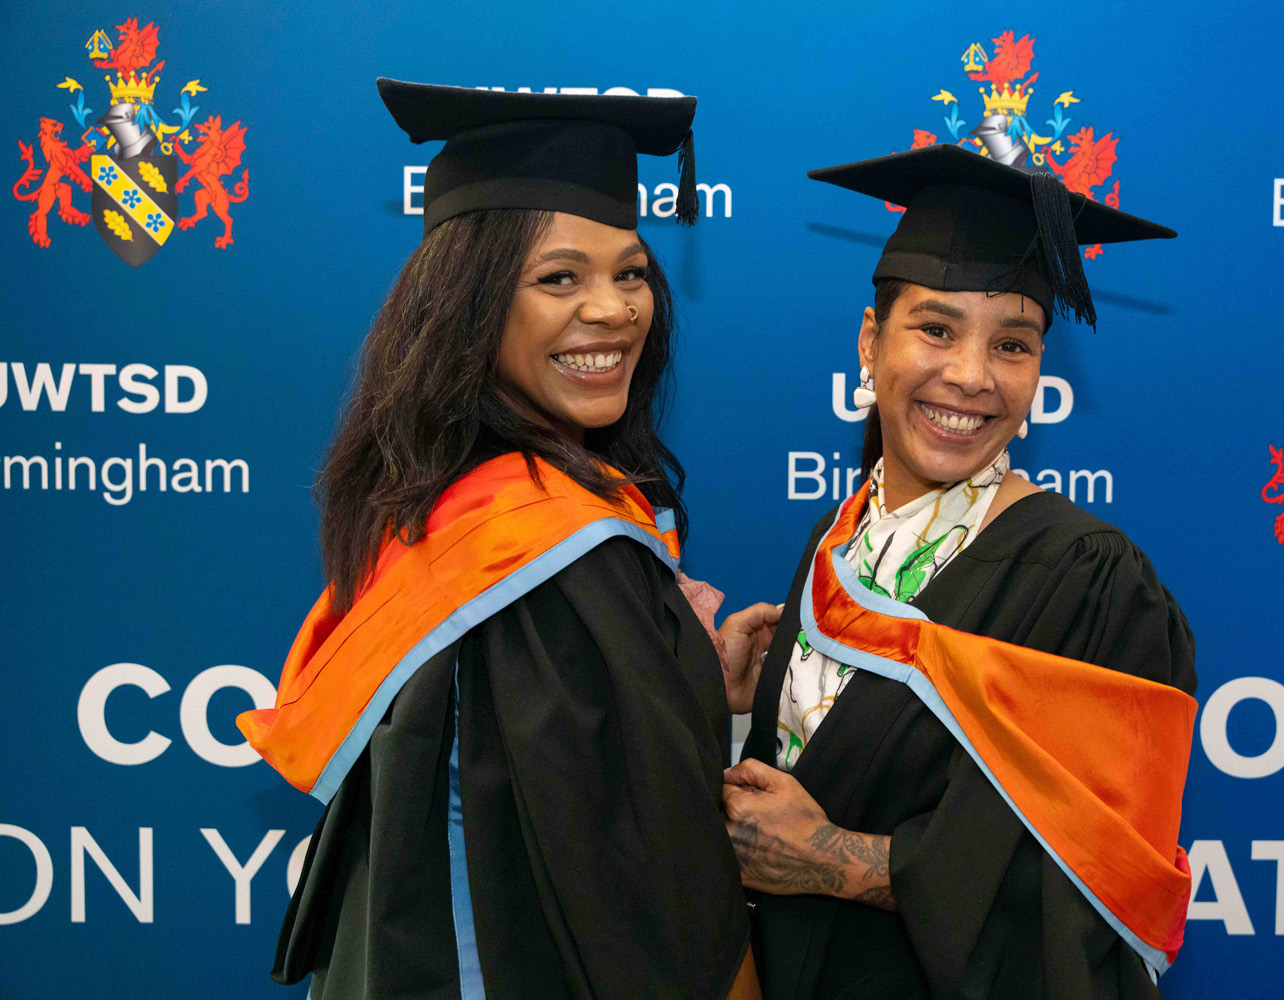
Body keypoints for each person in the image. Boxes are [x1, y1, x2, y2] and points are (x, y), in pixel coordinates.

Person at [238, 79, 756, 999]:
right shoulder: (549, 550)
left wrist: (688, 673)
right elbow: (643, 874)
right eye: (560, 278)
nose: (614, 309)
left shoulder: (441, 500)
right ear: (470, 305)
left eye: (631, 273)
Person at [721, 144, 1199, 1000]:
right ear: (871, 342)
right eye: (936, 329)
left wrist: (840, 863)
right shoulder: (837, 544)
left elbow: (1103, 885)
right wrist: (750, 705)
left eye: (1012, 344)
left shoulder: (1090, 582)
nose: (972, 376)